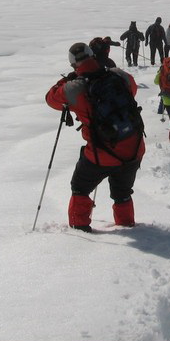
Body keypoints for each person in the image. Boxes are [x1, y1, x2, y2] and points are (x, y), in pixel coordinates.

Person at [45, 42, 145, 232]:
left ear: (73, 63)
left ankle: (79, 228)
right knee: (122, 192)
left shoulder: (74, 88)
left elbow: (51, 99)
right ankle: (128, 226)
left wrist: (66, 81)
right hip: (134, 146)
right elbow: (132, 88)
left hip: (102, 153)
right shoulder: (118, 75)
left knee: (80, 186)